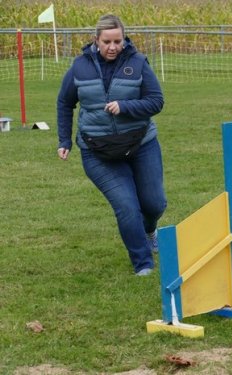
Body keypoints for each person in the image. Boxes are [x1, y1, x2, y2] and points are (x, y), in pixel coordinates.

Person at [57, 14, 167, 276]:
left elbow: (156, 101)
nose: (112, 47)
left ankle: (150, 231)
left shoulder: (138, 63)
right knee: (127, 206)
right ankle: (143, 264)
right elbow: (65, 103)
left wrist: (125, 107)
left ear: (123, 39)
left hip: (141, 144)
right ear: (96, 40)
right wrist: (64, 140)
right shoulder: (79, 67)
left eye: (117, 41)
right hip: (99, 152)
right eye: (107, 41)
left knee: (154, 204)